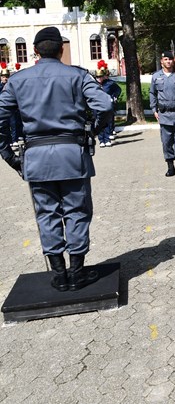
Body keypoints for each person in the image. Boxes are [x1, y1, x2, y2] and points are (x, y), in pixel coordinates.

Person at [0, 27, 113, 291]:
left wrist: (9, 155)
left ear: (35, 51)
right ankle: (77, 272)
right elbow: (105, 106)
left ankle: (59, 274)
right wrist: (94, 130)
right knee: (77, 212)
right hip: (72, 155)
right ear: (61, 50)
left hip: (37, 157)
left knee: (47, 214)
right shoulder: (77, 76)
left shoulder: (17, 81)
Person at [95, 68, 121, 147]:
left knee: (107, 122)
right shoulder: (93, 84)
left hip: (107, 105)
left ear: (103, 76)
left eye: (100, 77)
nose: (99, 78)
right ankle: (101, 140)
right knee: (99, 123)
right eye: (97, 77)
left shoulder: (109, 83)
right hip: (97, 105)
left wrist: (114, 97)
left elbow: (118, 89)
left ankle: (107, 139)